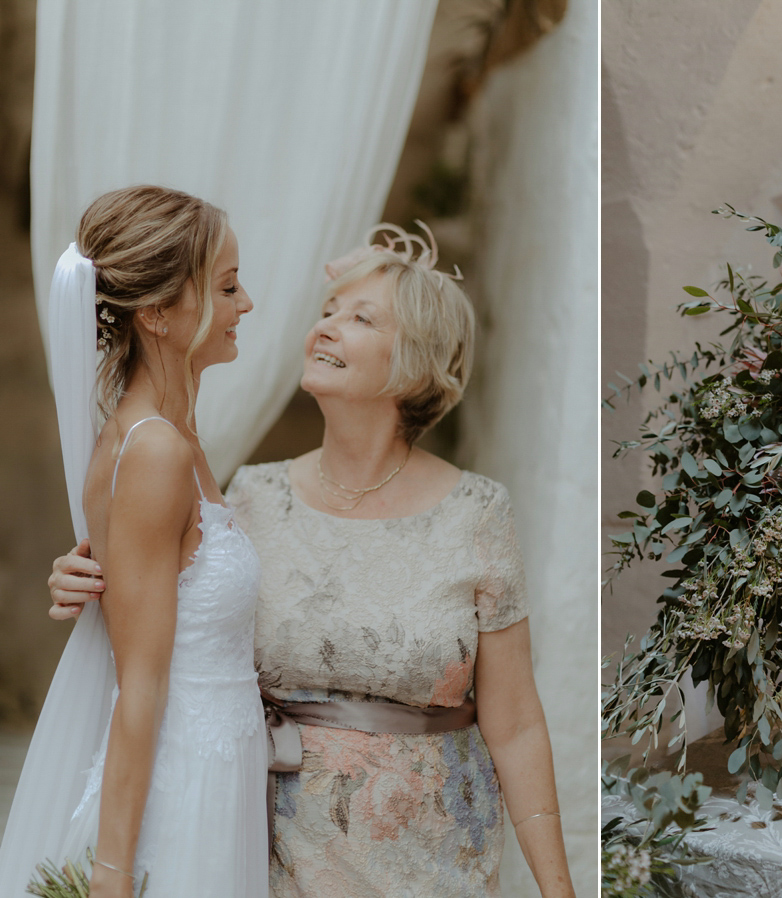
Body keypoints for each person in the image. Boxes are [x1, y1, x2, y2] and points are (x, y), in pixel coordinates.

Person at [50, 224, 575, 897]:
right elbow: (185, 615)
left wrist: (559, 889)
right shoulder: (254, 495)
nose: (324, 328)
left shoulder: (478, 510)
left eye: (359, 318)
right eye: (326, 312)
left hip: (437, 857)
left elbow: (518, 722)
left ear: (417, 358)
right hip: (269, 845)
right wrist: (93, 575)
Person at [0, 185, 265, 897]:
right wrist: (114, 874)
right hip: (185, 789)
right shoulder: (154, 452)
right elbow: (139, 683)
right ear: (156, 315)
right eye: (229, 287)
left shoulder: (175, 436)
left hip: (224, 766)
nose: (247, 305)